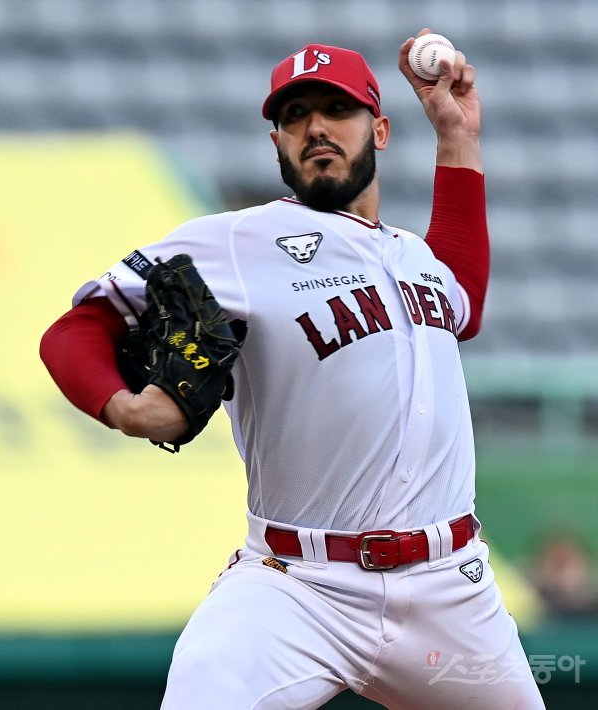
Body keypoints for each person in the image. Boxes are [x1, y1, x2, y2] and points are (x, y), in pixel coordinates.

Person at [40, 30, 545, 710]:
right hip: (295, 586)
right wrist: (126, 408)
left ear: (380, 130)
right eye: (294, 116)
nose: (315, 129)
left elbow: (465, 301)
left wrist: (457, 136)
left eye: (336, 110)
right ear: (276, 142)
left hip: (450, 589)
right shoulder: (235, 242)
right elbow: (75, 329)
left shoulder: (416, 257)